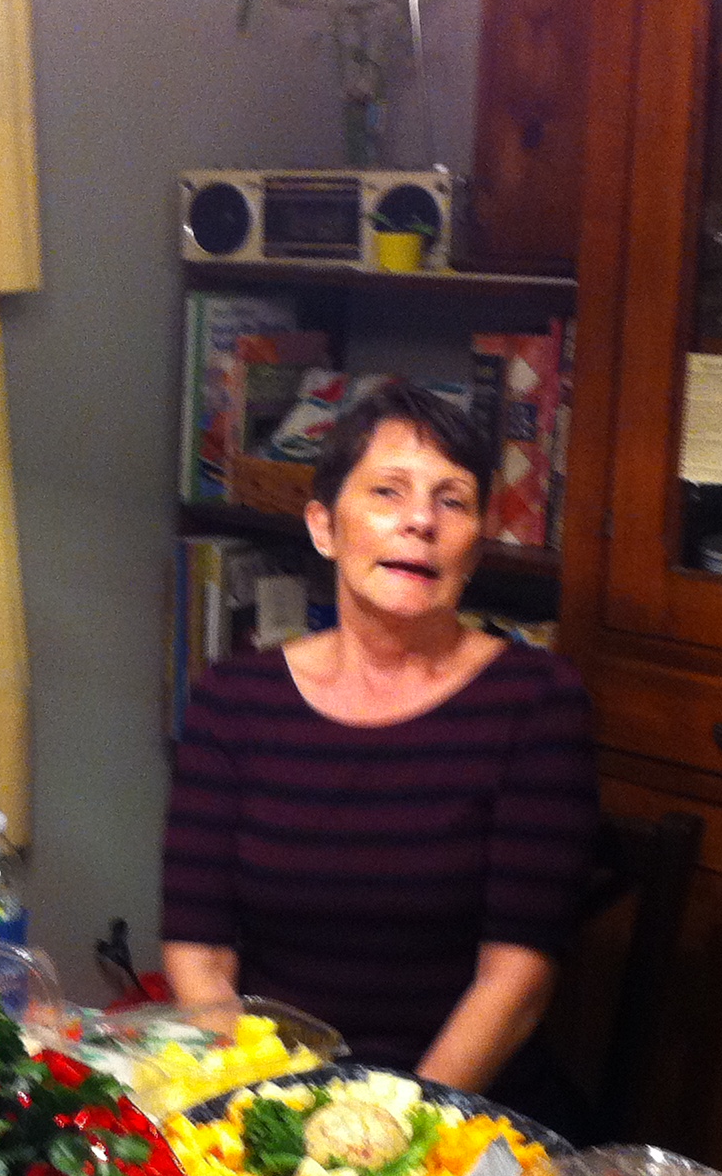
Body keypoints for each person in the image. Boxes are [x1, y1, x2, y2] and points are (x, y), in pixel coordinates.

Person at [159, 379, 597, 1094]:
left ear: (475, 546)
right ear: (324, 527)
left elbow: (516, 980)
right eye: (387, 492)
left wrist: (390, 1125)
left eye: (452, 501)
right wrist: (255, 1107)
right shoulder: (233, 703)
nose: (420, 521)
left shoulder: (536, 702)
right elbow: (199, 952)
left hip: (456, 1112)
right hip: (269, 1096)